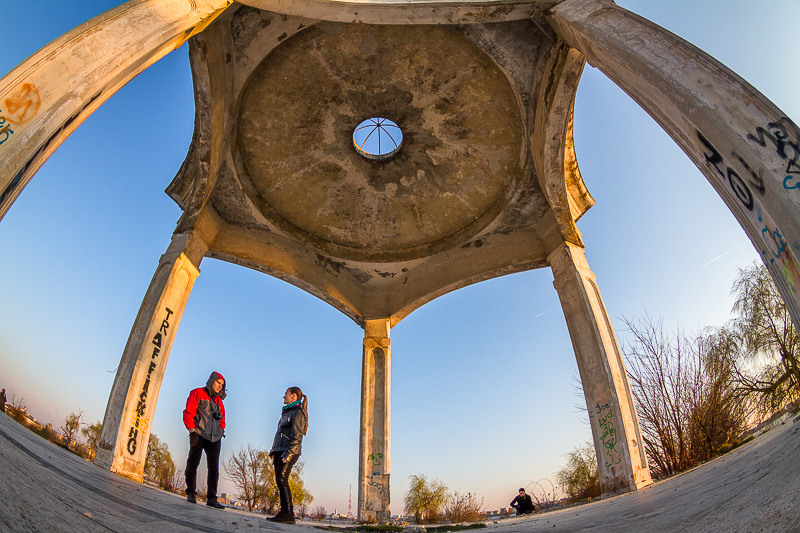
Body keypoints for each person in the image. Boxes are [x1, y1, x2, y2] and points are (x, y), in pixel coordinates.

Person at [183, 371, 227, 509]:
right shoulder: (197, 393)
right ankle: (191, 492)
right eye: (218, 383)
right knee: (193, 463)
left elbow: (222, 419)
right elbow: (189, 411)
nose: (220, 386)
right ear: (212, 381)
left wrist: (221, 430)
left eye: (222, 385)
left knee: (214, 468)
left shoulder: (219, 401)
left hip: (215, 438)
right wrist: (192, 429)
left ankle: (212, 498)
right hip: (199, 433)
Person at [268, 386, 308, 524]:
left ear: (294, 396)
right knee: (279, 480)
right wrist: (274, 450)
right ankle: (284, 512)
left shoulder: (298, 412)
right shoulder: (287, 412)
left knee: (282, 479)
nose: (284, 396)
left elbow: (297, 436)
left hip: (289, 451)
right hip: (280, 450)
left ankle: (288, 514)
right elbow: (280, 433)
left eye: (286, 394)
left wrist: (289, 453)